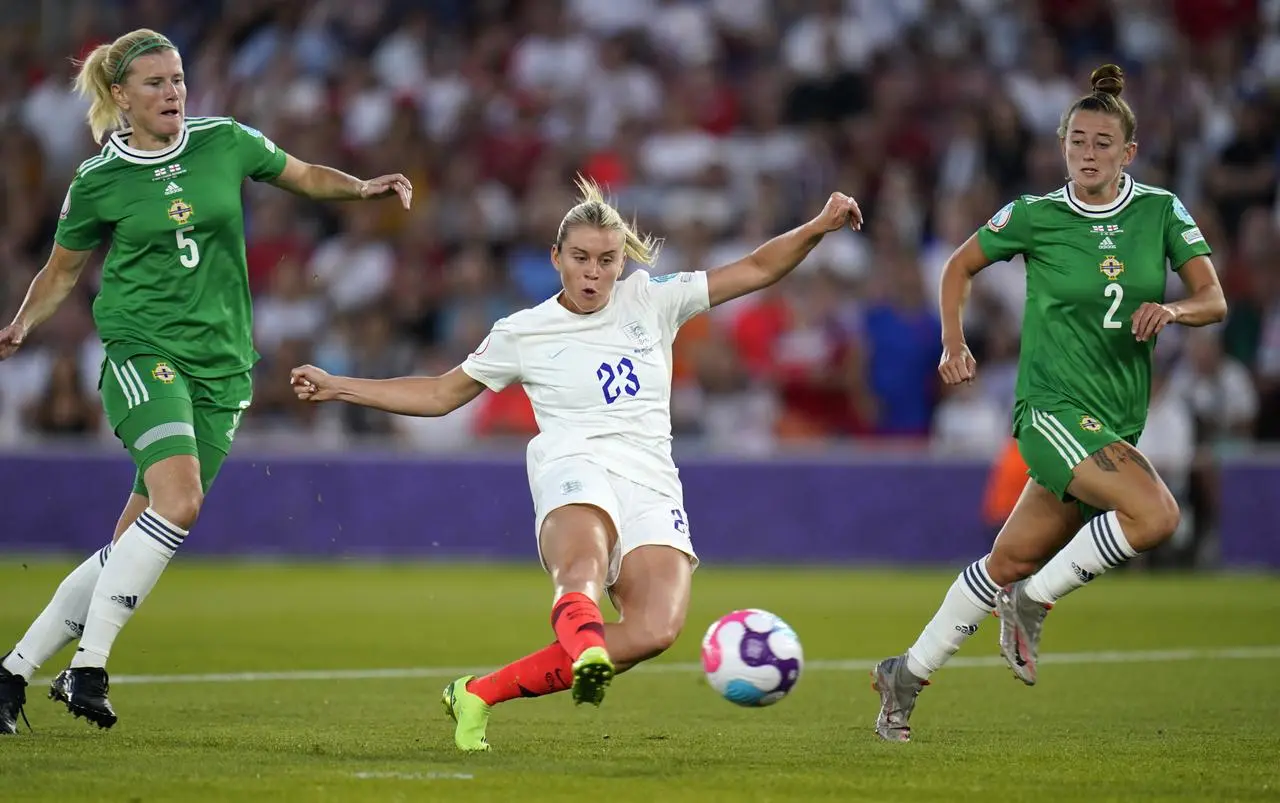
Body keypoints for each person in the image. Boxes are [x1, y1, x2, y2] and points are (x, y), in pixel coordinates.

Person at [290, 177, 863, 751]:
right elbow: (441, 394)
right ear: (556, 259)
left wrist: (817, 227)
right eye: (582, 258)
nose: (594, 272)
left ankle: (478, 693)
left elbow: (757, 268)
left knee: (654, 630)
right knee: (582, 564)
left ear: (622, 262)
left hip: (650, 478)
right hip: (573, 460)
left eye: (608, 260)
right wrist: (340, 387)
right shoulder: (523, 332)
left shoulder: (652, 298)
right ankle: (586, 646)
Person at [0, 28, 412, 734]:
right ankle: (88, 666)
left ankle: (10, 675)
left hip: (223, 367)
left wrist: (363, 187)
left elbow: (304, 172)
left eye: (179, 79)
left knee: (132, 540)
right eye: (156, 83)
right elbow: (62, 271)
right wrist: (19, 325)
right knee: (181, 500)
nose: (173, 93)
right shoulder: (99, 181)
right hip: (144, 352)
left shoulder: (224, 140)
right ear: (121, 97)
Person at [871, 64, 1227, 742]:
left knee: (1003, 560)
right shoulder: (1037, 216)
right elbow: (958, 265)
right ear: (1061, 146)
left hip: (1113, 418)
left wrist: (1175, 310)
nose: (1087, 155)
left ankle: (904, 676)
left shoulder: (1161, 211)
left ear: (1129, 153)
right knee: (1156, 515)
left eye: (1102, 144)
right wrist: (954, 341)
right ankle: (1031, 603)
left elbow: (1214, 299)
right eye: (1077, 142)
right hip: (1051, 411)